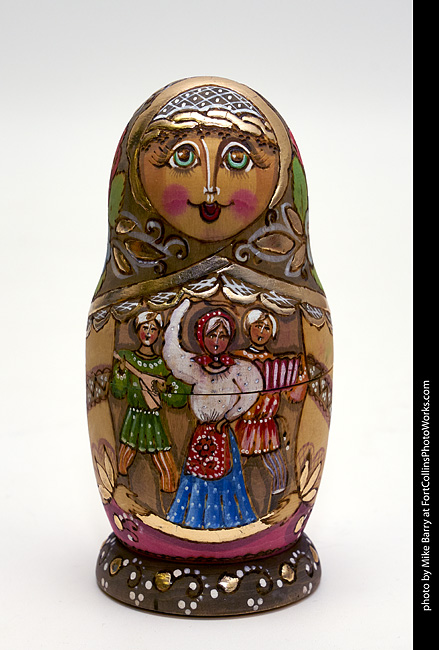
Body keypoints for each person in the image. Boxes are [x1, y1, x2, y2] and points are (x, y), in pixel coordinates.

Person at [163, 298, 262, 529]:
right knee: (196, 478)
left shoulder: (238, 368)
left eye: (223, 336)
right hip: (201, 434)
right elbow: (171, 352)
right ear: (201, 337)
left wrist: (229, 418)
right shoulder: (193, 366)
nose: (217, 341)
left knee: (225, 479)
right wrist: (179, 312)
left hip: (222, 433)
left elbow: (252, 391)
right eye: (211, 335)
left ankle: (225, 522)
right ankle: (194, 521)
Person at [111, 310, 190, 492]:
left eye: (153, 329)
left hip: (153, 420)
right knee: (123, 460)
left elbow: (176, 395)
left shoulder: (160, 364)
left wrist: (168, 389)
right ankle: (122, 491)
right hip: (133, 417)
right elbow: (118, 391)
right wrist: (121, 372)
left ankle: (169, 490)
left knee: (164, 460)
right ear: (137, 330)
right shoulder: (126, 356)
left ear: (159, 333)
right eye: (144, 328)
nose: (148, 333)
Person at [234, 309, 307, 494]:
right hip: (244, 424)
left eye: (267, 328)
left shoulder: (276, 363)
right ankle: (233, 497)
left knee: (278, 470)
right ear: (248, 328)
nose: (261, 332)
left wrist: (302, 375)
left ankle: (280, 499)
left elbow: (293, 396)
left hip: (267, 425)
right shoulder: (237, 358)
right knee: (237, 464)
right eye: (258, 326)